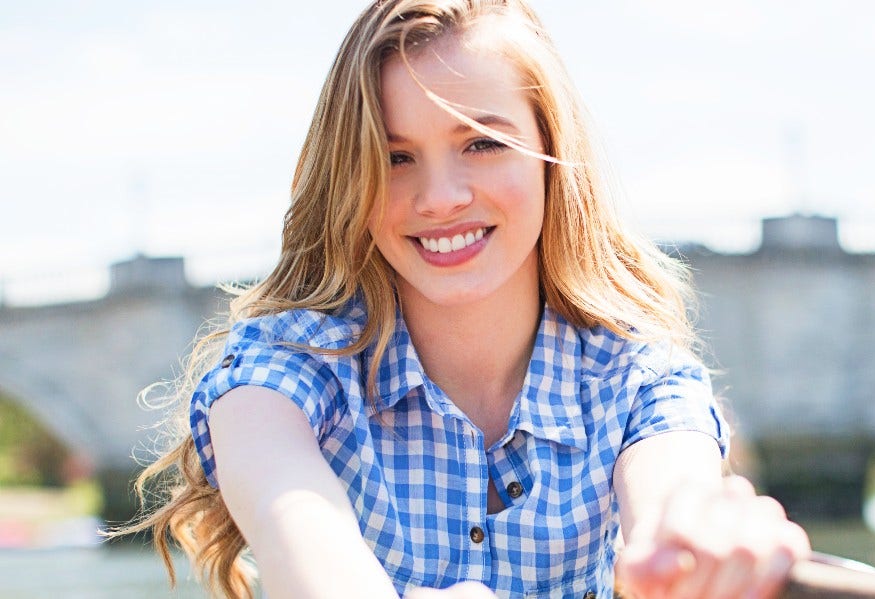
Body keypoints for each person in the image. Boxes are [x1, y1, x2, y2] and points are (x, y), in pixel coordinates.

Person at [115, 1, 809, 597]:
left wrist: (702, 539)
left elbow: (671, 493)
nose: (441, 198)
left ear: (549, 149)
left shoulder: (640, 382)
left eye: (481, 142)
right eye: (394, 157)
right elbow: (300, 536)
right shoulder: (281, 374)